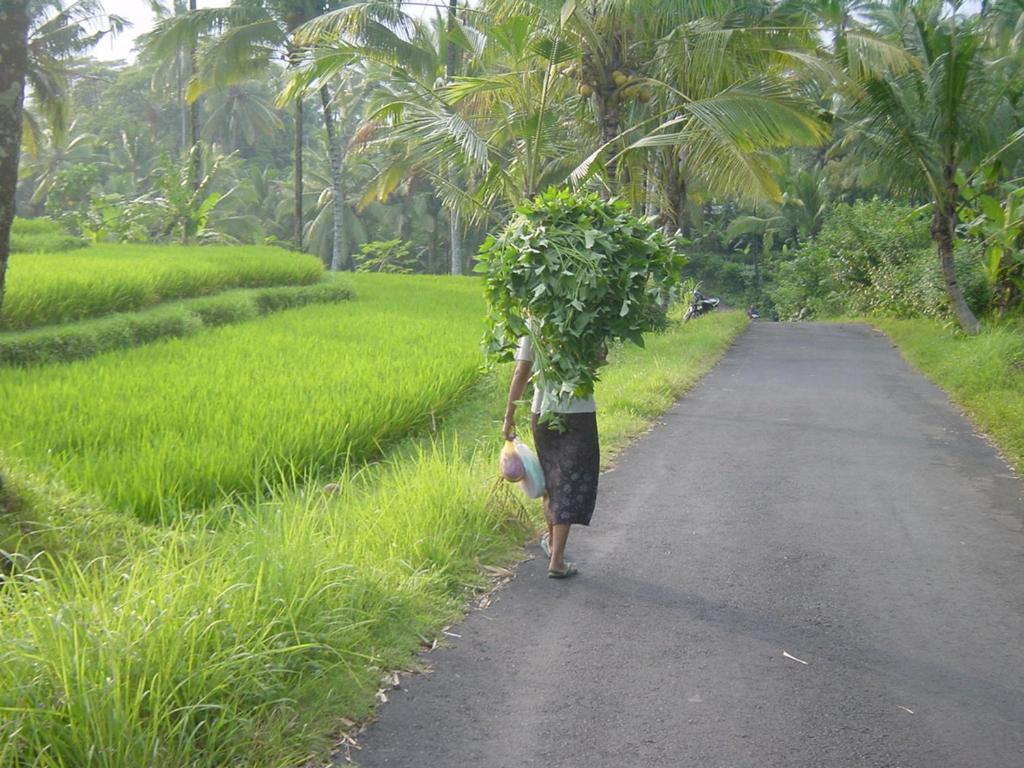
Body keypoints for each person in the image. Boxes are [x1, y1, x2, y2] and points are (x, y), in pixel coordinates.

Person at [502, 332, 601, 579]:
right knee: (569, 481)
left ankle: (551, 542)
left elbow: (521, 372)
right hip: (579, 413)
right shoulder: (590, 314)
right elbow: (599, 358)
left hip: (543, 413)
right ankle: (557, 559)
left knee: (553, 480)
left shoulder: (535, 320)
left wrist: (509, 417)